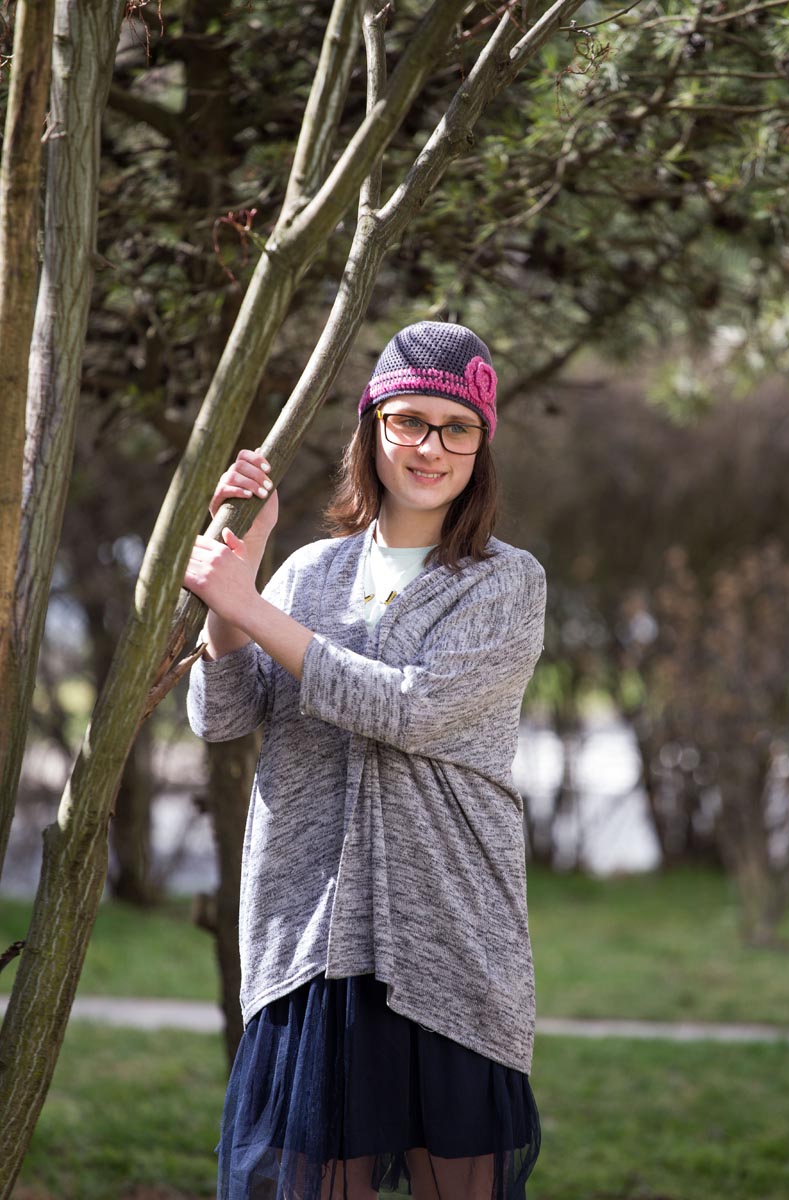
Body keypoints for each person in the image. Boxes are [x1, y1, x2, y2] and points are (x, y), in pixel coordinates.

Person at [184, 320, 547, 1200]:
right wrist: (238, 580)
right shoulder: (309, 572)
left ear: (482, 446)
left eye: (457, 428)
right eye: (409, 420)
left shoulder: (505, 582)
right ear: (372, 426)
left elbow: (408, 709)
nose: (431, 447)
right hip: (309, 937)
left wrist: (254, 609)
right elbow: (220, 714)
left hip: (448, 939)